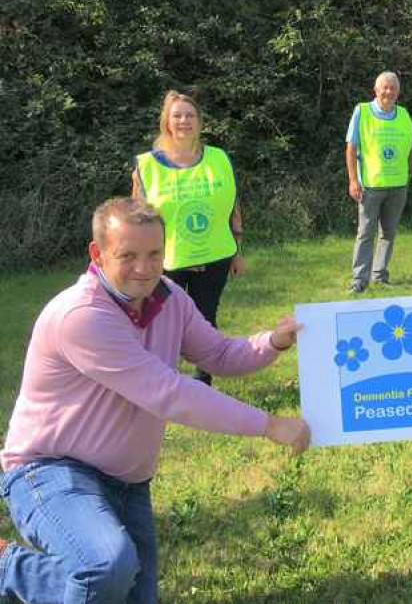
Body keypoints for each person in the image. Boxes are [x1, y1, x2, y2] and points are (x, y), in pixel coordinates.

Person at [0, 197, 310, 604]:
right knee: (104, 568)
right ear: (98, 253)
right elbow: (169, 394)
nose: (144, 269)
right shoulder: (81, 315)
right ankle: (9, 568)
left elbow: (216, 354)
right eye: (127, 255)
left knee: (121, 591)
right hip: (50, 470)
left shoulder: (169, 299)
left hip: (128, 482)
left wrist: (272, 342)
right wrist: (270, 424)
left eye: (154, 254)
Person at [132, 90, 244, 387]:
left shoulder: (219, 159)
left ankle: (202, 381)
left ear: (199, 122)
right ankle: (162, 382)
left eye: (190, 115)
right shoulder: (147, 165)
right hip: (167, 262)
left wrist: (237, 249)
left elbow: (232, 207)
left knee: (205, 320)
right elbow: (138, 218)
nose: (184, 121)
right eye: (177, 116)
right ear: (167, 122)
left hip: (215, 255)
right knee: (161, 324)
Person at [345, 71, 412, 293]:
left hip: (397, 186)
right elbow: (351, 148)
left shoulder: (404, 115)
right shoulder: (362, 111)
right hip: (370, 186)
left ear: (398, 92)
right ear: (375, 90)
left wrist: (408, 174)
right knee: (365, 233)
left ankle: (380, 275)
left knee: (389, 233)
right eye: (384, 87)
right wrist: (353, 180)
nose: (388, 91)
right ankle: (359, 280)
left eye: (392, 88)